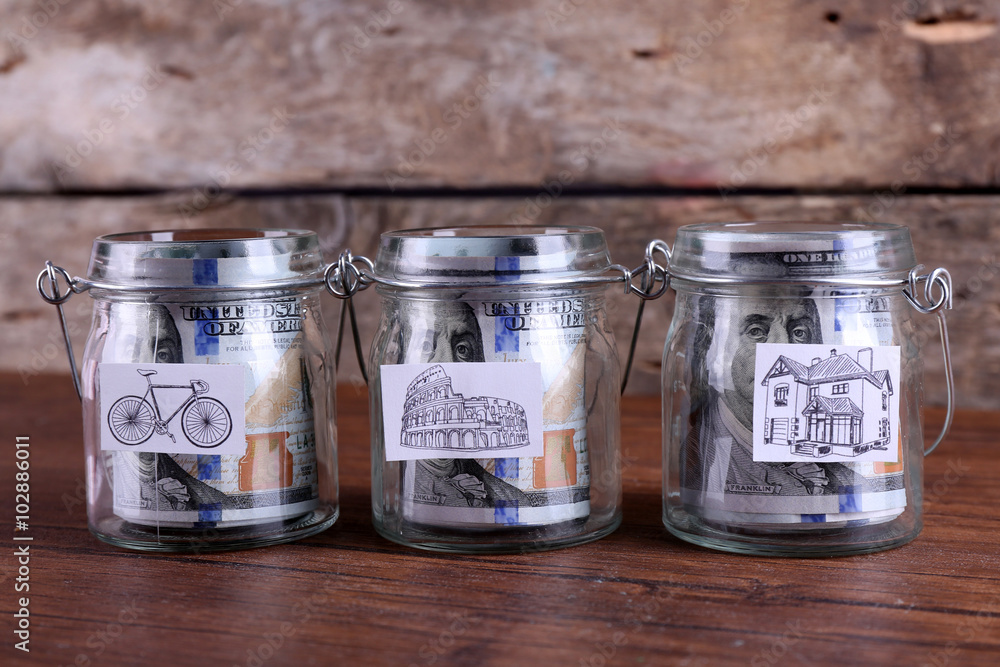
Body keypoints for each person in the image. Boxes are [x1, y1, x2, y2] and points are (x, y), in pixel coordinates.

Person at [684, 294, 873, 500]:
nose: (783, 350)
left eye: (799, 333)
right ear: (713, 349)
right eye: (755, 331)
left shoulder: (848, 481)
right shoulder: (695, 463)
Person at [399, 300, 532, 512]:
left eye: (462, 349)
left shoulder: (507, 498)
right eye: (425, 346)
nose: (447, 364)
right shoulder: (398, 489)